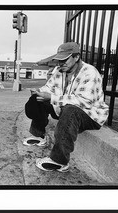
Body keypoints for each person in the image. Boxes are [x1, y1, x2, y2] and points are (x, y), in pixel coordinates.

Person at [24, 42, 109, 172]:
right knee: (38, 99)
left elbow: (83, 102)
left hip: (90, 115)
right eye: (59, 60)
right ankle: (38, 135)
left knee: (71, 110)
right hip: (64, 108)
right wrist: (39, 92)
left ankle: (59, 161)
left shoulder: (90, 73)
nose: (60, 63)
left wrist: (52, 98)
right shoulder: (59, 71)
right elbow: (48, 88)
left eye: (64, 60)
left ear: (76, 57)